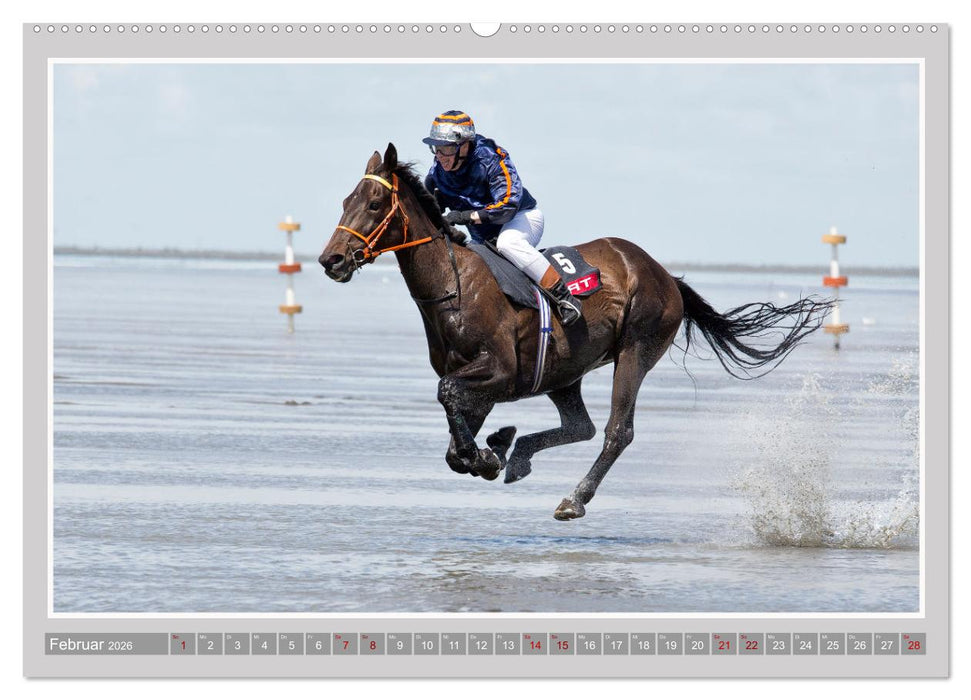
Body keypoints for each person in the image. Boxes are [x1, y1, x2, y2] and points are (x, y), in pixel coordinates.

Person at [422, 110, 582, 326]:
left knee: (509, 243)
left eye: (447, 148)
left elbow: (507, 207)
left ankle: (564, 298)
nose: (440, 156)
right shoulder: (437, 172)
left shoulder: (491, 158)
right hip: (484, 237)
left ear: (465, 145)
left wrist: (464, 216)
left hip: (521, 219)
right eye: (437, 148)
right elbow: (428, 210)